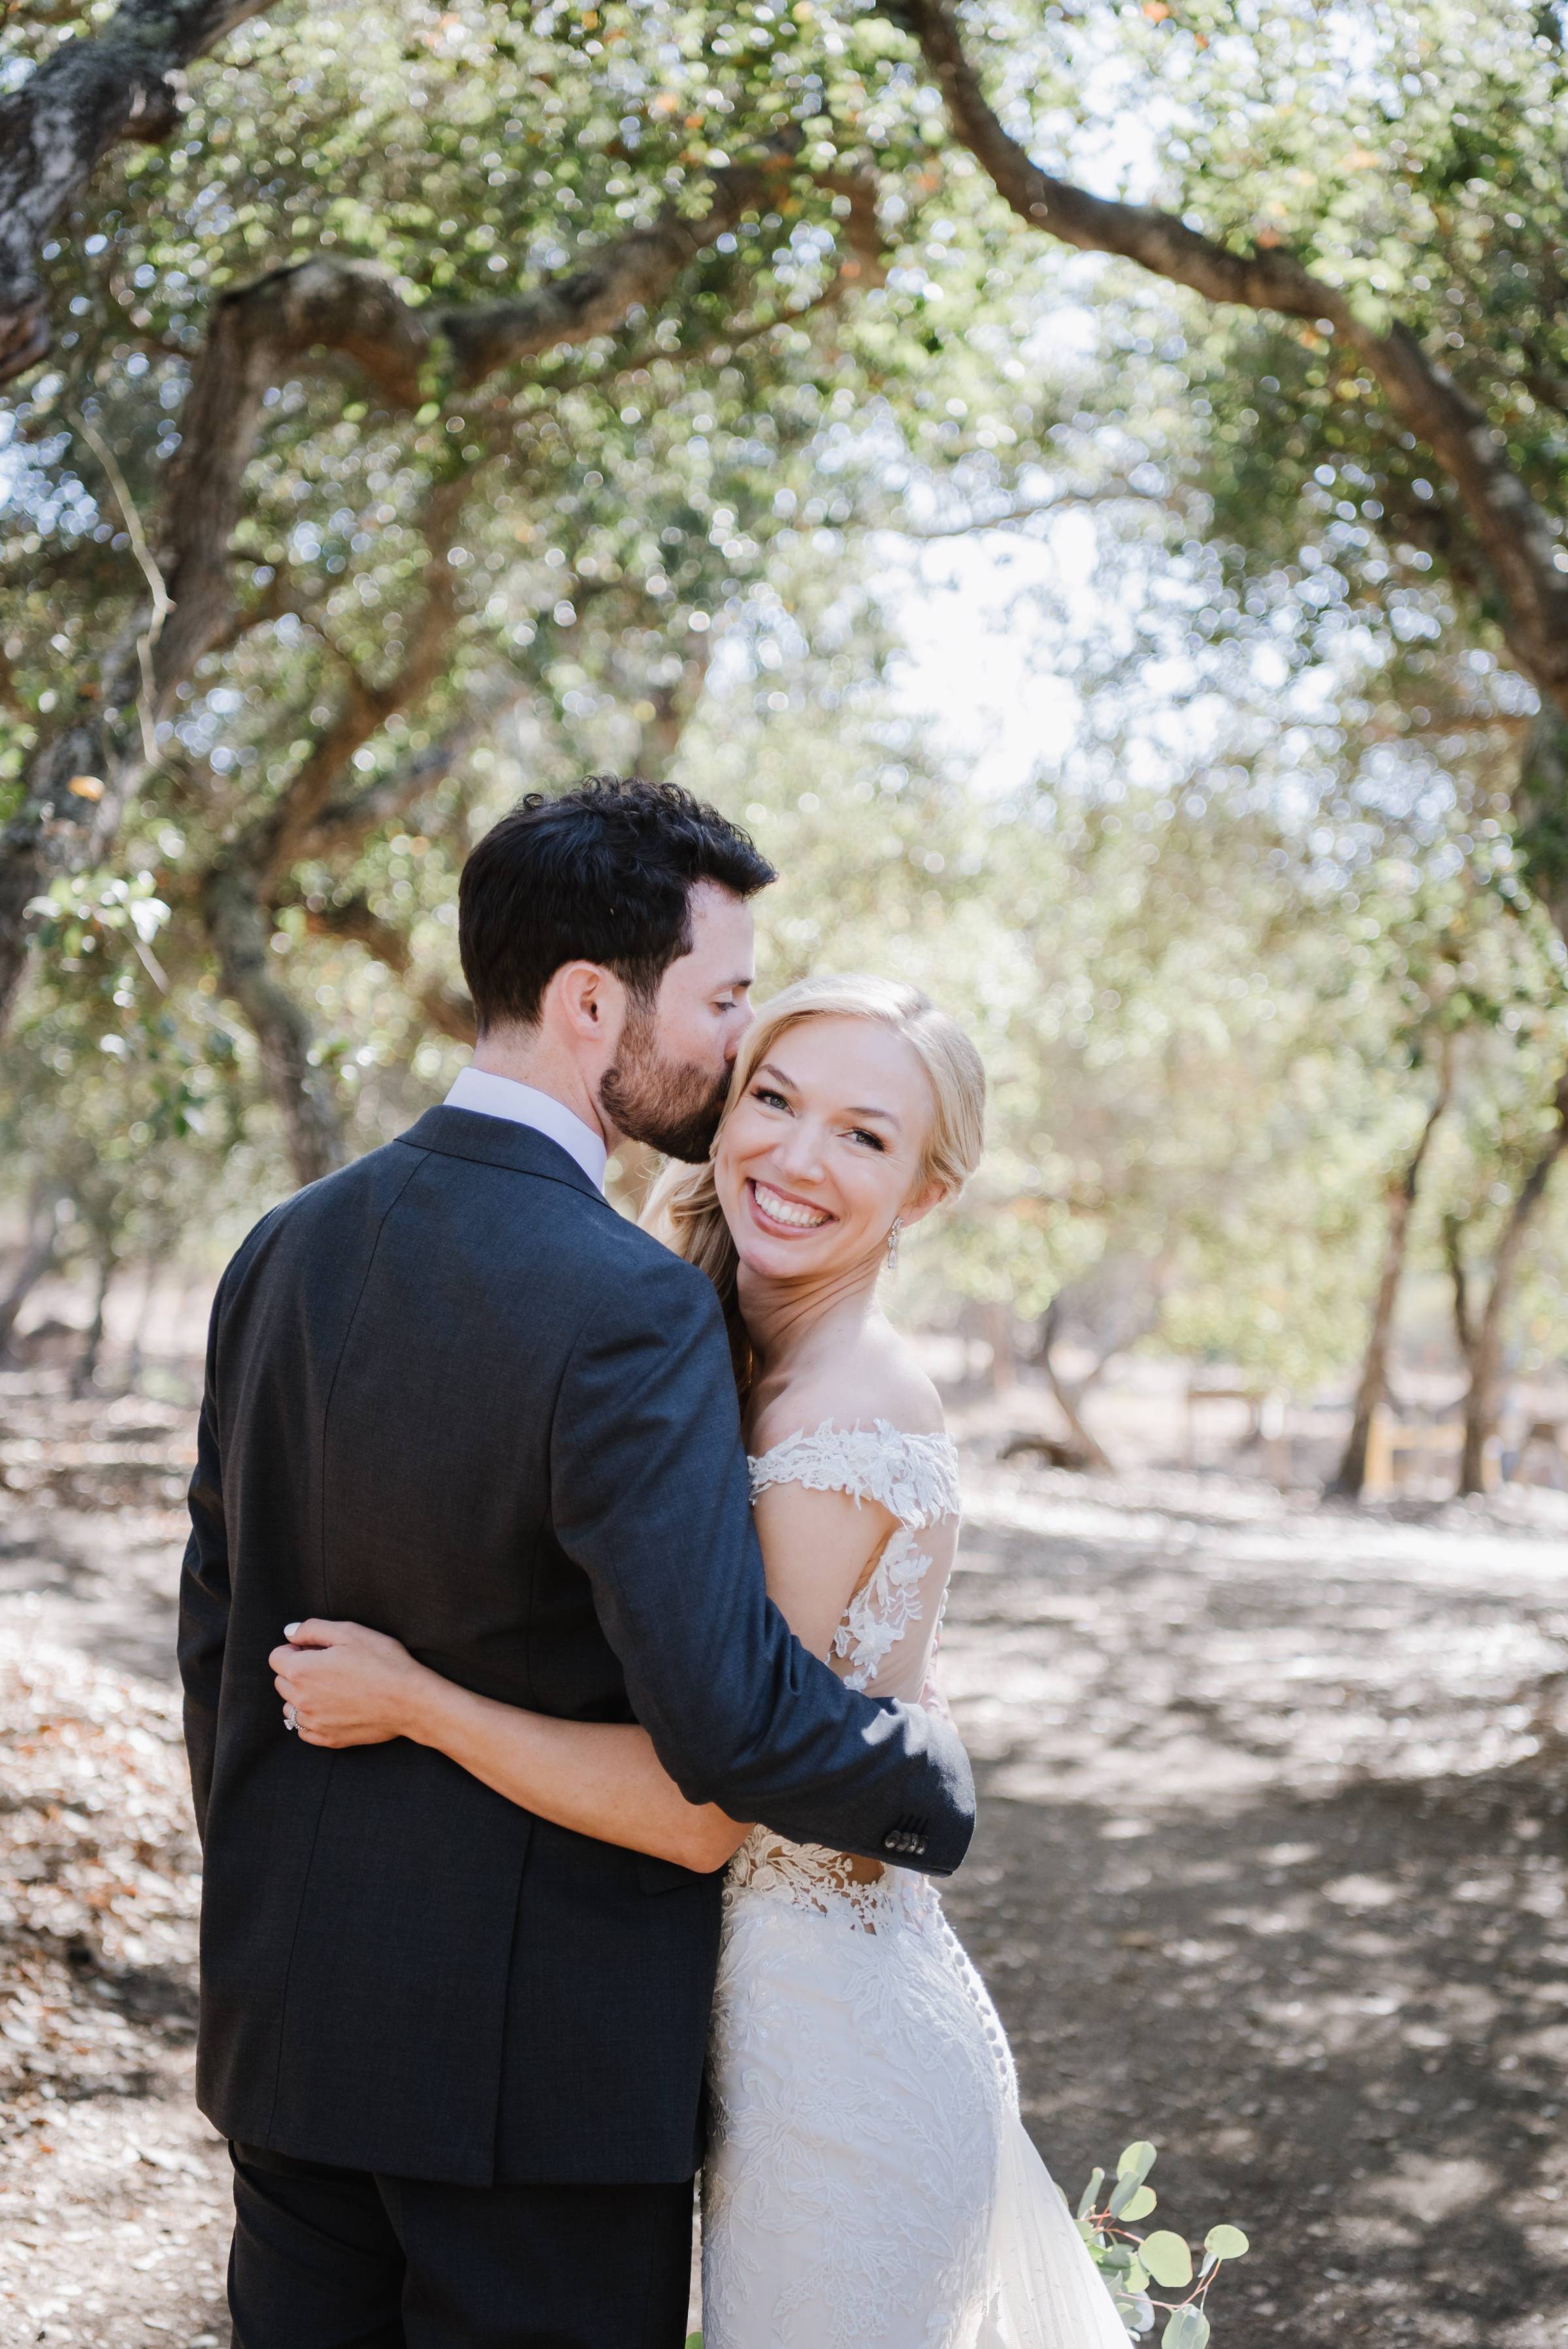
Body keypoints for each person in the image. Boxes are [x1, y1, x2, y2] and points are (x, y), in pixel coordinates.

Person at [179, 779, 976, 2349]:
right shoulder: (632, 1304)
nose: (736, 1046)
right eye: (725, 1000)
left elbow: (219, 1633)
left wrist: (272, 1910)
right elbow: (722, 1725)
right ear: (594, 1001)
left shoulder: (285, 1244)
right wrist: (920, 1774)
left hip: (290, 2035)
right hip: (536, 2089)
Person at [272, 972, 1133, 2348]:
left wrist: (418, 1702)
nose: (796, 1157)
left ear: (924, 1191)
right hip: (735, 2047)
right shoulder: (715, 1349)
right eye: (776, 1101)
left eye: (864, 1135)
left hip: (831, 2080)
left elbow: (697, 1808)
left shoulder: (845, 1413)